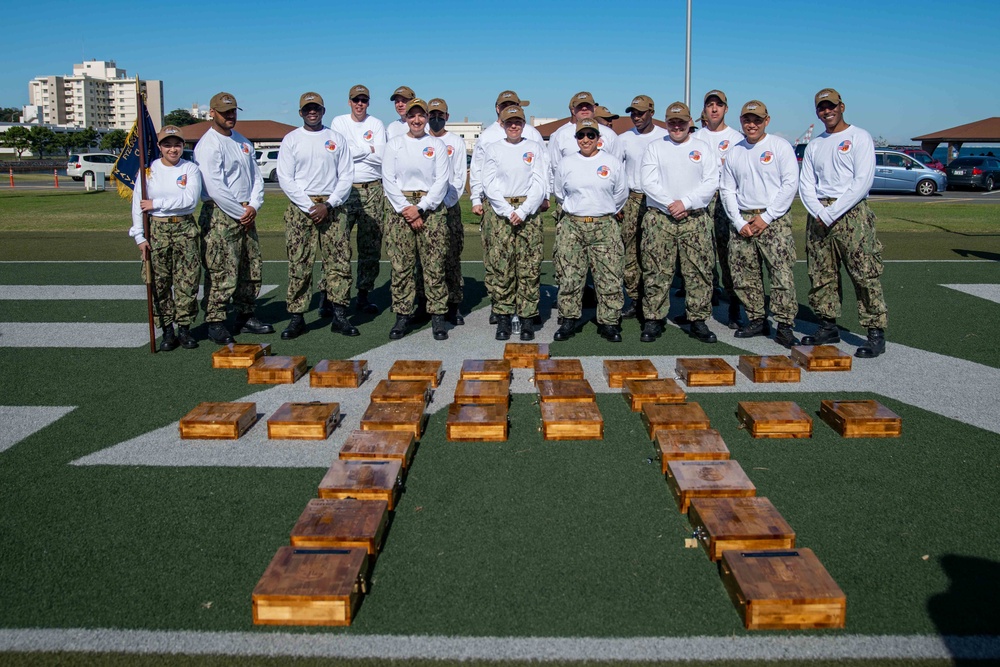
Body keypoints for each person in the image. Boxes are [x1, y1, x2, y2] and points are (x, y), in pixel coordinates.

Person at [799, 88, 887, 358]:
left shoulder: (859, 137)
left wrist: (833, 211)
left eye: (831, 106)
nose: (827, 111)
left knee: (864, 273)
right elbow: (806, 184)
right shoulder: (815, 145)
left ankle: (875, 331)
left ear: (842, 107)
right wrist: (819, 210)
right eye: (822, 107)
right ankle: (827, 325)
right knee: (821, 273)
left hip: (851, 214)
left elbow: (862, 181)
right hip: (819, 214)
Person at [194, 91, 272, 345]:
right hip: (221, 214)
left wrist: (254, 206)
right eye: (224, 112)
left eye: (233, 111)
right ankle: (215, 321)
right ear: (212, 113)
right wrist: (241, 213)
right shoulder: (209, 144)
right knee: (221, 269)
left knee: (250, 266)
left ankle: (245, 314)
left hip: (246, 211)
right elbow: (215, 187)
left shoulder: (242, 142)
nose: (230, 116)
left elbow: (256, 178)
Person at [720, 100, 799, 349]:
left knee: (781, 274)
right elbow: (727, 189)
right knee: (745, 274)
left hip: (773, 219)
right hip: (743, 219)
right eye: (747, 120)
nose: (751, 125)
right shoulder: (735, 151)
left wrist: (767, 217)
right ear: (741, 121)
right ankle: (756, 319)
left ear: (767, 121)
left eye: (757, 120)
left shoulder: (779, 146)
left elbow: (790, 184)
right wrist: (738, 221)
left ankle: (784, 325)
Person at [276, 92, 355, 340]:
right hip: (302, 209)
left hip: (332, 207)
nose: (312, 112)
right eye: (308, 109)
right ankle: (297, 317)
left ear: (323, 111)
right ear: (301, 112)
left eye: (317, 108)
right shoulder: (291, 139)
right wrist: (309, 206)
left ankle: (339, 314)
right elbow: (285, 178)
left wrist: (329, 204)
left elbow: (346, 175)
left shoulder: (336, 138)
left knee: (339, 263)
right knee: (299, 263)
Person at [639, 101, 718, 344]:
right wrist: (671, 205)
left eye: (681, 122)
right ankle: (653, 318)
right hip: (661, 218)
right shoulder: (655, 147)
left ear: (689, 122)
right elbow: (648, 181)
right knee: (656, 270)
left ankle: (698, 318)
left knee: (698, 270)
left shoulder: (703, 148)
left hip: (694, 219)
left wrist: (686, 203)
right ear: (666, 123)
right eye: (672, 122)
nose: (676, 127)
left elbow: (711, 182)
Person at [469, 90, 546, 324]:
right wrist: (503, 208)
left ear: (523, 122)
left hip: (527, 210)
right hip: (500, 210)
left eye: (518, 122)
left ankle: (527, 314)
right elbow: (486, 179)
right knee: (501, 264)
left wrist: (523, 210)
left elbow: (540, 180)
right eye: (509, 122)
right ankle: (502, 312)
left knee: (529, 265)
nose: (514, 126)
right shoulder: (492, 144)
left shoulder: (534, 143)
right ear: (502, 122)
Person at [381, 98, 451, 341]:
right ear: (407, 118)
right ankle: (403, 315)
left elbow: (442, 181)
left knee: (434, 266)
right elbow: (388, 179)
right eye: (412, 116)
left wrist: (420, 208)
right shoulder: (395, 144)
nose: (417, 120)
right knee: (402, 267)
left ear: (427, 117)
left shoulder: (436, 145)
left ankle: (438, 316)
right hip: (400, 209)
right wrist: (406, 210)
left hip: (430, 208)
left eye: (421, 115)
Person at [128, 125, 203, 351]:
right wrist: (139, 236)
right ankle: (167, 329)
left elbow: (190, 201)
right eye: (167, 145)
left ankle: (185, 328)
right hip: (157, 230)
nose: (173, 149)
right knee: (159, 283)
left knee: (187, 281)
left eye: (177, 145)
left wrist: (156, 204)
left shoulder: (190, 169)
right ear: (159, 147)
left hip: (184, 228)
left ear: (183, 146)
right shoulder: (148, 171)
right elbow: (138, 204)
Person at [552, 118, 627, 342]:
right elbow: (560, 193)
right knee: (569, 275)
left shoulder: (612, 162)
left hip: (604, 226)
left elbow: (621, 193)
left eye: (591, 135)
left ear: (598, 138)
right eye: (581, 135)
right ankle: (568, 318)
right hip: (573, 225)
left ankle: (609, 321)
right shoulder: (567, 163)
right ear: (576, 138)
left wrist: (601, 209)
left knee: (609, 276)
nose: (586, 140)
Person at [330, 84, 386, 316]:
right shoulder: (339, 122)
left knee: (370, 246)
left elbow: (381, 157)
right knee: (337, 245)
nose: (359, 104)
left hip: (372, 189)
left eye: (363, 100)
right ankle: (329, 296)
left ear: (368, 102)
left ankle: (363, 294)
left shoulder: (376, 124)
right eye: (356, 100)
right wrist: (368, 149)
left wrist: (354, 149)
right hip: (345, 190)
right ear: (349, 102)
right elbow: (338, 153)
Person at [694, 89, 745, 326]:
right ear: (704, 109)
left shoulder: (736, 138)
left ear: (726, 108)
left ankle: (734, 305)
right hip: (702, 201)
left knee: (728, 255)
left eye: (719, 105)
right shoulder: (696, 137)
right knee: (701, 254)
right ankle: (700, 307)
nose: (714, 109)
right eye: (710, 105)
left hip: (726, 200)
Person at [617, 95, 667, 320]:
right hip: (632, 198)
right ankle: (636, 299)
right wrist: (618, 204)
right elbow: (616, 172)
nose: (636, 117)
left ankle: (654, 301)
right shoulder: (624, 139)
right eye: (633, 113)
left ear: (651, 113)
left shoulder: (664, 137)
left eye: (641, 113)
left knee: (655, 253)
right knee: (630, 252)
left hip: (657, 201)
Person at [427, 98, 468, 326]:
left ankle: (453, 304)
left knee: (451, 256)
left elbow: (459, 177)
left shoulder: (455, 142)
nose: (436, 119)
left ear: (447, 117)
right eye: (432, 115)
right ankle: (425, 303)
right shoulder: (420, 140)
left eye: (440, 115)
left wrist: (445, 202)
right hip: (426, 208)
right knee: (426, 258)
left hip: (449, 206)